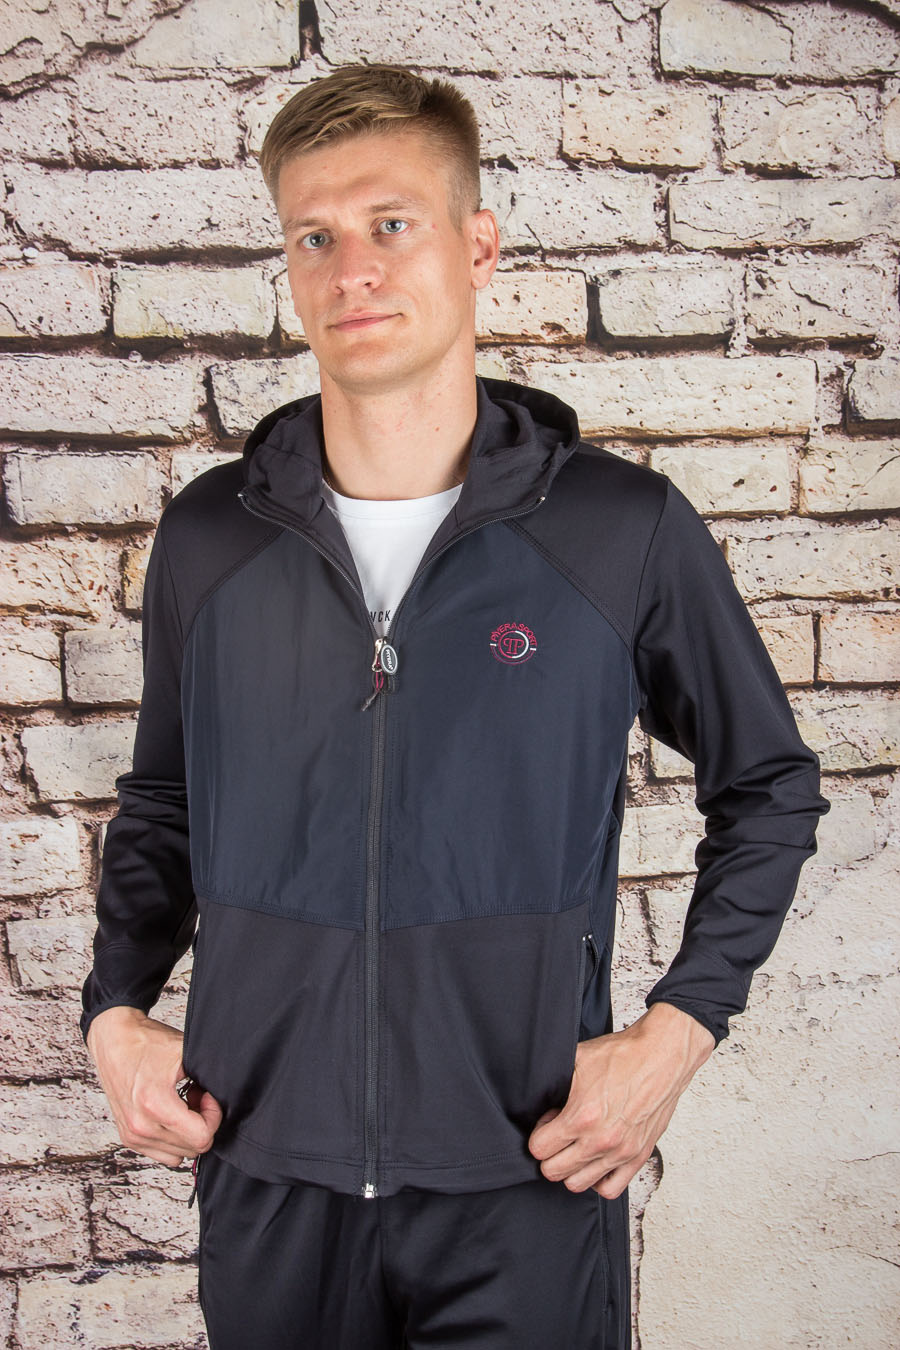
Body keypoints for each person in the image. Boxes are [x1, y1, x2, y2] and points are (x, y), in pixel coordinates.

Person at [80, 62, 830, 1349]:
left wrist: (677, 1031)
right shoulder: (212, 537)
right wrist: (114, 1011)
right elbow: (165, 800)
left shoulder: (619, 531)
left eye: (391, 223)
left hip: (526, 1176)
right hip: (267, 1178)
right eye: (314, 237)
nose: (351, 271)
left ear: (478, 245)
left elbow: (768, 787)